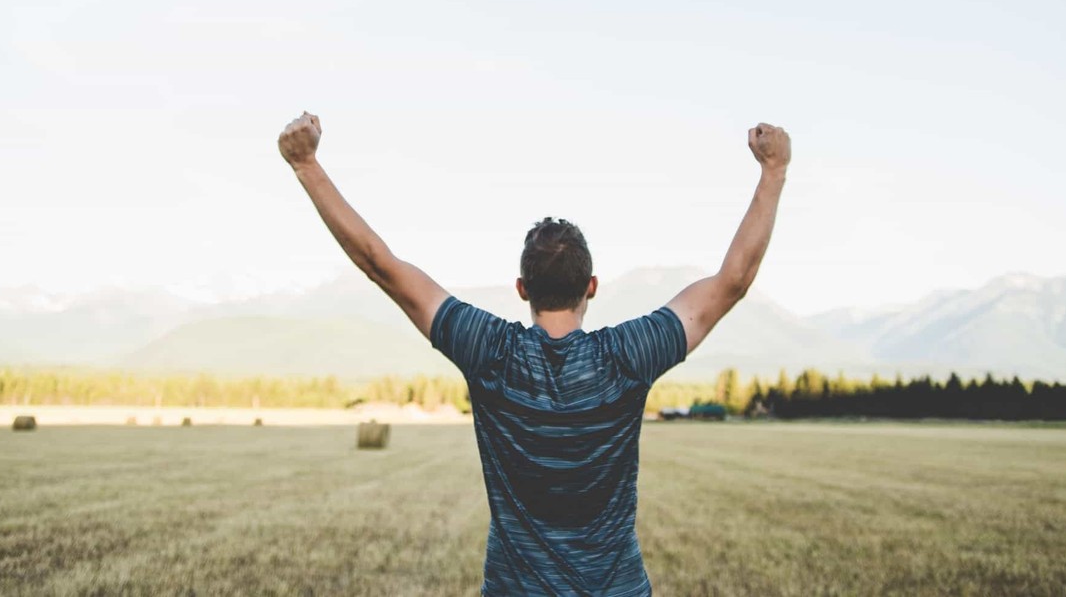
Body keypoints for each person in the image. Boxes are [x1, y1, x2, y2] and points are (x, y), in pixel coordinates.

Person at [278, 112, 790, 596]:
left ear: (522, 288)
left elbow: (380, 265)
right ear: (591, 286)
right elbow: (733, 282)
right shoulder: (628, 356)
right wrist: (773, 170)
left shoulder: (490, 352)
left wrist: (307, 165)